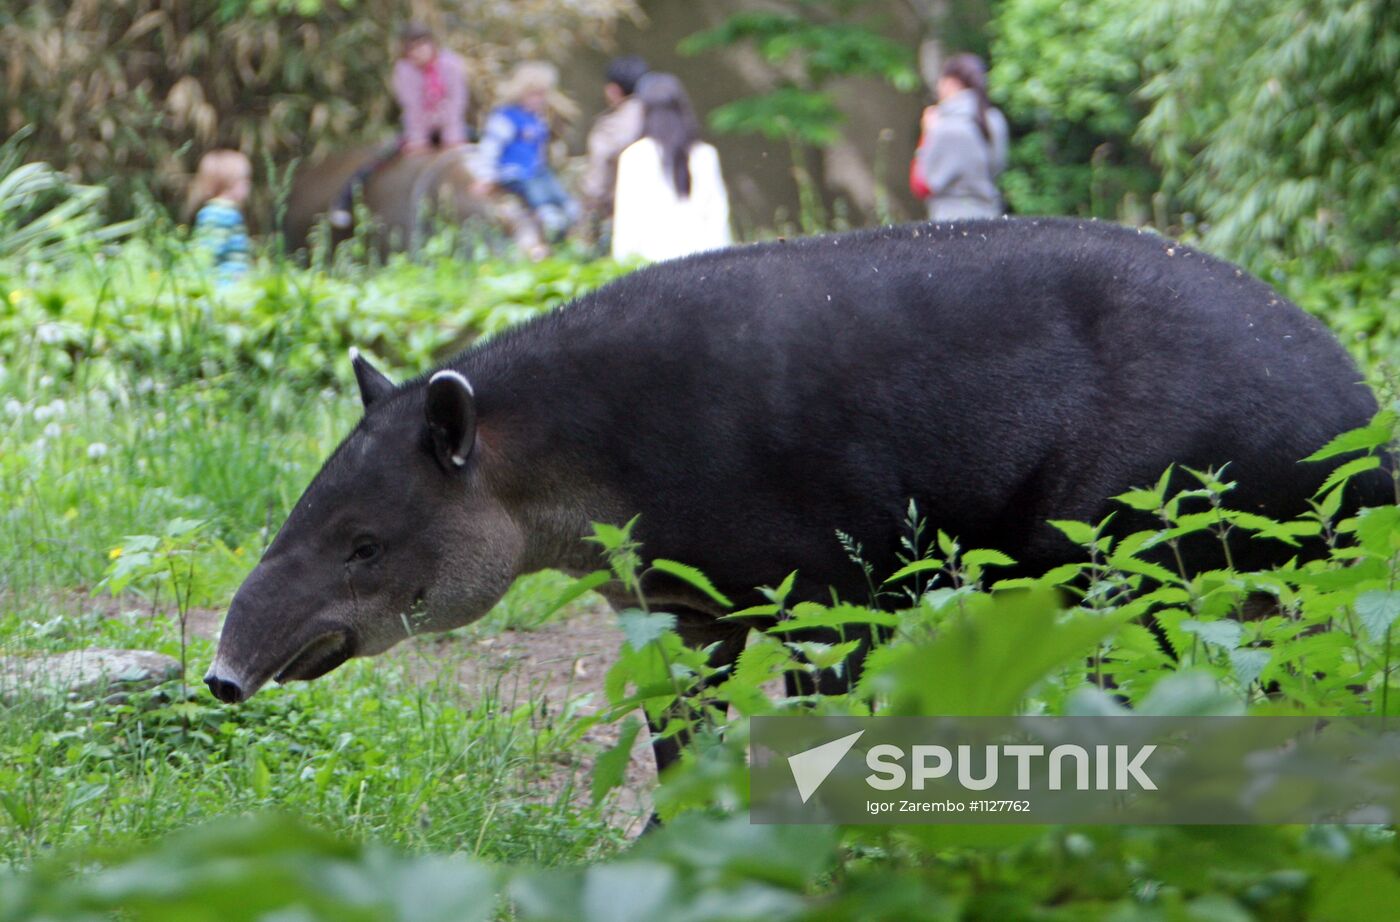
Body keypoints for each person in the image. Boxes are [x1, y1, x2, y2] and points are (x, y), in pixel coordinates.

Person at [330, 22, 469, 228]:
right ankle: (343, 203)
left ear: (432, 45)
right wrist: (418, 140)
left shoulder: (451, 65)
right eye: (411, 49)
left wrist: (452, 137)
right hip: (419, 129)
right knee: (380, 159)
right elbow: (412, 107)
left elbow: (457, 101)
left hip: (452, 126)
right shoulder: (404, 71)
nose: (417, 53)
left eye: (421, 46)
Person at [611, 72, 730, 263]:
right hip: (702, 266)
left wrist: (622, 267)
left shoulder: (634, 157)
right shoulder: (704, 155)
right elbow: (719, 219)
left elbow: (626, 225)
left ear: (645, 111)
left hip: (651, 269)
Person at [471, 61, 580, 257]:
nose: (539, 100)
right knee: (540, 198)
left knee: (563, 198)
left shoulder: (537, 119)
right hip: (515, 172)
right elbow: (490, 149)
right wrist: (485, 176)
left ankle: (566, 224)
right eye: (534, 94)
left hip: (536, 171)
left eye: (542, 94)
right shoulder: (506, 118)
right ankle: (549, 228)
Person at [915, 53, 1009, 221]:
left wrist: (926, 134)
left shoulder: (943, 126)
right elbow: (998, 166)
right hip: (990, 218)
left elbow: (922, 185)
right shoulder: (995, 120)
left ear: (950, 83)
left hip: (949, 222)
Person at [580, 56, 648, 227]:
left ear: (613, 90)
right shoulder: (662, 118)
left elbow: (597, 178)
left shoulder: (610, 127)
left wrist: (588, 210)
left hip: (621, 210)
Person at [187, 149, 252, 284]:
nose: (248, 186)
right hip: (225, 284)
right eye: (245, 181)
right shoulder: (222, 213)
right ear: (230, 184)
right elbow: (209, 250)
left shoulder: (218, 211)